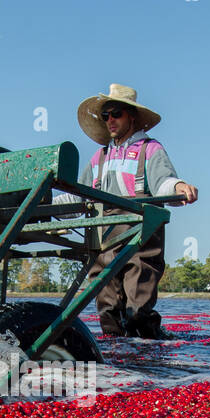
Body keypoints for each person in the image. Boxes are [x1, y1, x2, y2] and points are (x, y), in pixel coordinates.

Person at [71, 84, 198, 338]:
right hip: (103, 238)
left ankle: (150, 358)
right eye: (105, 115)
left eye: (115, 113)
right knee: (107, 310)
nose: (110, 120)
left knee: (137, 310)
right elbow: (77, 194)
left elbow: (164, 182)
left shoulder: (150, 150)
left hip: (140, 236)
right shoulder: (99, 157)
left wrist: (179, 186)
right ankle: (117, 367)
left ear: (132, 116)